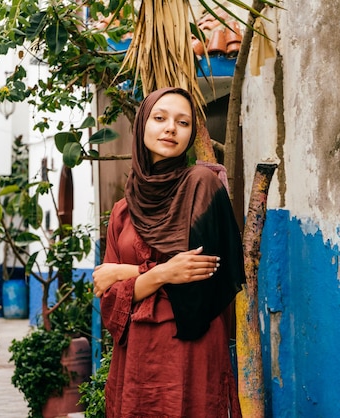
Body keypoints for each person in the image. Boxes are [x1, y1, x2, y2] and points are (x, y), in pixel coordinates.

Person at [93, 87, 245, 417]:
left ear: (191, 135)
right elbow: (107, 295)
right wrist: (162, 272)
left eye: (183, 122)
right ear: (141, 126)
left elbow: (200, 275)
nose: (171, 128)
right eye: (160, 118)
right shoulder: (123, 210)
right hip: (136, 357)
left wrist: (126, 274)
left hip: (191, 350)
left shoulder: (202, 186)